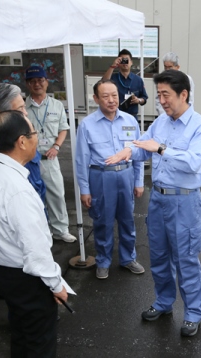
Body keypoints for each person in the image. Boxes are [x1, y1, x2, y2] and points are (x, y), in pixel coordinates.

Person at [108, 70, 201, 337]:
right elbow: (145, 145)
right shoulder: (161, 123)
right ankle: (164, 302)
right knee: (159, 256)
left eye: (166, 95)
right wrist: (129, 151)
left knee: (186, 260)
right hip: (159, 199)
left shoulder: (200, 127)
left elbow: (194, 162)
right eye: (159, 96)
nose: (162, 101)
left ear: (183, 94)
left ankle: (192, 313)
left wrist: (162, 149)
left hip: (185, 202)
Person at [0, 110, 73, 357]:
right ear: (22, 141)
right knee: (40, 342)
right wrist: (56, 285)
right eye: (34, 132)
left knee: (22, 335)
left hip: (4, 271)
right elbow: (36, 250)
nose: (37, 137)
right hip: (27, 279)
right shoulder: (17, 190)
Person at [75, 79, 145, 279]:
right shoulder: (87, 125)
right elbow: (81, 160)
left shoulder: (130, 121)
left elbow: (137, 152)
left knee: (127, 220)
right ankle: (103, 261)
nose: (111, 100)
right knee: (102, 222)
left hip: (126, 175)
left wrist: (138, 181)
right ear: (96, 98)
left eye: (114, 95)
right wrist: (84, 189)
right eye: (105, 96)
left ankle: (128, 258)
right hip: (101, 176)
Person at [24, 66, 76, 243]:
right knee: (33, 196)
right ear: (27, 84)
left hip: (50, 158)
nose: (37, 84)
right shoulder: (22, 107)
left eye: (40, 80)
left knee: (56, 194)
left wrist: (57, 146)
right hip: (29, 161)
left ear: (47, 82)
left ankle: (61, 229)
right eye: (33, 81)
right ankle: (41, 231)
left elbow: (63, 129)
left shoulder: (56, 105)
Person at [0, 83, 46, 202]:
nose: (25, 113)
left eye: (24, 107)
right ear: (0, 113)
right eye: (19, 109)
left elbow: (38, 181)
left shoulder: (26, 137)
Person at [102, 49, 148, 120]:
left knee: (131, 131)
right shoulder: (113, 78)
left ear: (131, 62)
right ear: (119, 62)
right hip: (116, 116)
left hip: (132, 117)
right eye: (122, 60)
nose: (125, 63)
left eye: (127, 60)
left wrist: (138, 100)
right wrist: (113, 65)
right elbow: (103, 82)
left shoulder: (138, 80)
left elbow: (144, 98)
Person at [155, 52, 194, 116]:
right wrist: (164, 115)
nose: (167, 70)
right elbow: (158, 101)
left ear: (177, 67)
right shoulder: (161, 79)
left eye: (170, 67)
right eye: (165, 67)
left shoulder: (186, 79)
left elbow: (190, 100)